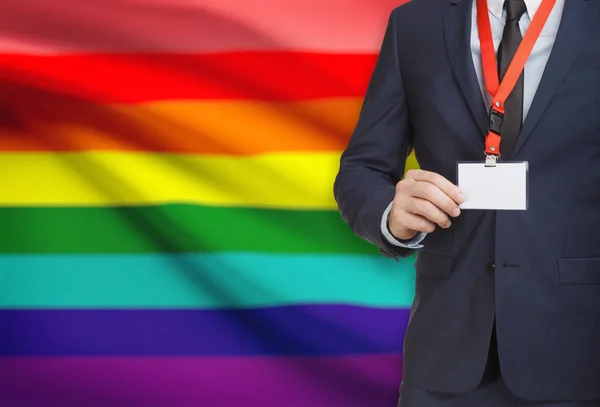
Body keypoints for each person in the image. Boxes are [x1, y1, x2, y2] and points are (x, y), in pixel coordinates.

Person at [333, 0, 600, 406]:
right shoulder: (415, 24)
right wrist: (389, 214)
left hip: (580, 352)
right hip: (444, 358)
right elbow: (362, 167)